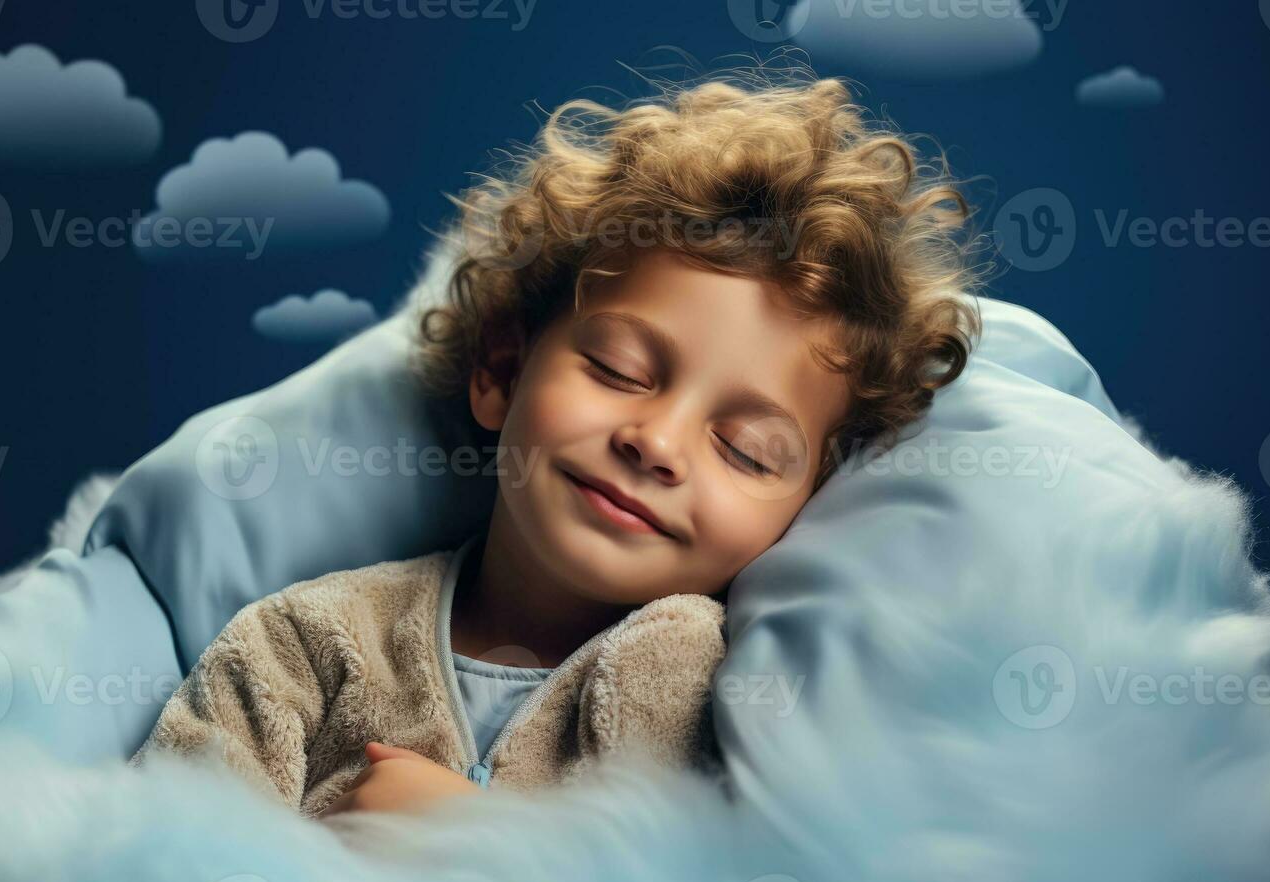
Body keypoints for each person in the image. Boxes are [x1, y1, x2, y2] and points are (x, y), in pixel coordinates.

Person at [132, 64, 989, 820]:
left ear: (810, 507)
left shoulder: (749, 705)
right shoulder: (303, 647)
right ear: (502, 371)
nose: (656, 442)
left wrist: (496, 858)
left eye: (748, 451)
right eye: (618, 370)